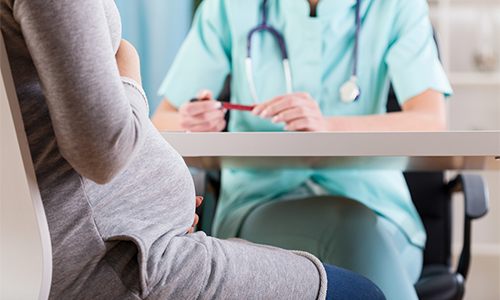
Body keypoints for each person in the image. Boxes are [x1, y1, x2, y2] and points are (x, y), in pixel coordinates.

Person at [0, 0, 386, 299]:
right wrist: (126, 67)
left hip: (101, 242)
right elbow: (102, 152)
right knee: (362, 294)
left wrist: (153, 205)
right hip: (118, 257)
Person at [151, 0, 453, 299]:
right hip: (261, 205)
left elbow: (431, 120)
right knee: (350, 227)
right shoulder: (229, 7)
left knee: (358, 231)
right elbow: (161, 120)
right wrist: (193, 121)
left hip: (382, 215)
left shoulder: (398, 7)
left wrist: (327, 126)